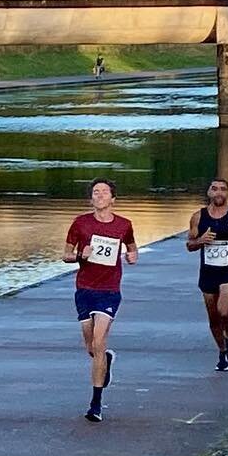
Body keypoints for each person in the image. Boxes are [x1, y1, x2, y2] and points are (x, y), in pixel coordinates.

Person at [64, 179, 138, 423]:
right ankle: (105, 359)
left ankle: (96, 403)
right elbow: (65, 254)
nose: (99, 196)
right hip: (85, 289)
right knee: (92, 347)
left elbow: (131, 247)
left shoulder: (124, 225)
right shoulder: (80, 223)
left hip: (109, 290)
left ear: (112, 198)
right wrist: (78, 256)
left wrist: (131, 255)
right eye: (95, 192)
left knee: (99, 339)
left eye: (104, 192)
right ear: (91, 198)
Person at [185, 178, 228, 372]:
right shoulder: (198, 217)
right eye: (215, 189)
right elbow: (190, 245)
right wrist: (201, 240)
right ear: (209, 192)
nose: (219, 193)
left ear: (227, 193)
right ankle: (223, 351)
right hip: (208, 271)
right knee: (214, 317)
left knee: (224, 310)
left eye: (223, 189)